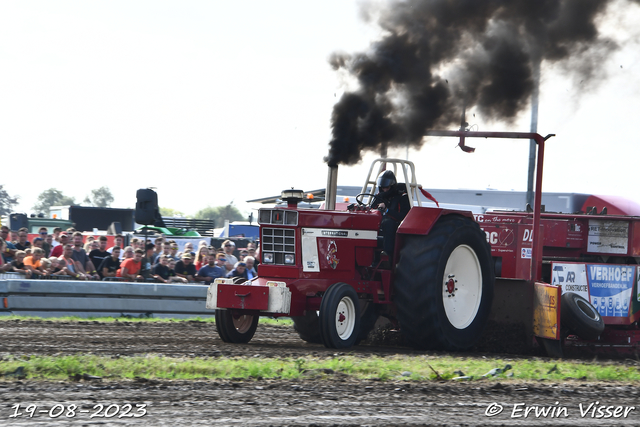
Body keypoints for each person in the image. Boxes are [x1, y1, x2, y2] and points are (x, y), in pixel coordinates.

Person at [371, 170, 411, 258]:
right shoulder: (378, 196)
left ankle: (387, 256)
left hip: (395, 226)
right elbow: (371, 210)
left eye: (387, 187)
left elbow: (404, 217)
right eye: (382, 187)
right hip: (378, 224)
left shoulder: (402, 197)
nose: (384, 190)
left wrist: (387, 209)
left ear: (392, 186)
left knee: (387, 223)